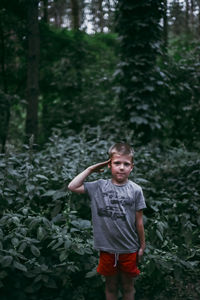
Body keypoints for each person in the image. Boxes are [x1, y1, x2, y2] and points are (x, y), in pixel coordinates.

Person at [68, 142, 146, 300]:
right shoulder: (99, 186)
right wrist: (91, 169)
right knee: (110, 286)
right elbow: (72, 186)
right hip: (107, 249)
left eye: (126, 164)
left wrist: (142, 245)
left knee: (127, 286)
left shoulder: (136, 190)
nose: (121, 167)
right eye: (117, 163)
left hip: (129, 248)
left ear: (132, 167)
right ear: (109, 165)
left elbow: (139, 221)